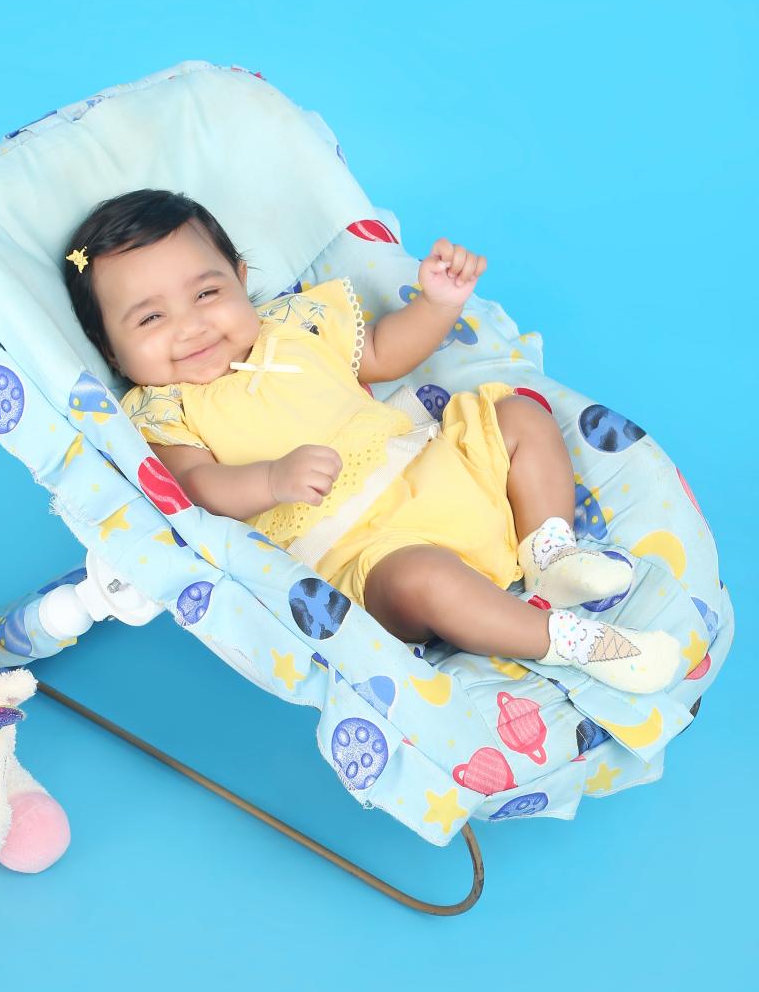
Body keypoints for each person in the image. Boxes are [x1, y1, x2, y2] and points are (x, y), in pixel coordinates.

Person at [62, 188, 681, 695]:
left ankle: (551, 550)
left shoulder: (296, 325)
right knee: (428, 581)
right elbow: (197, 486)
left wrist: (437, 304)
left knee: (519, 416)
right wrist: (271, 480)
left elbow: (384, 352)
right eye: (151, 318)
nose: (192, 325)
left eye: (207, 293)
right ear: (110, 350)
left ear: (241, 279)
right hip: (362, 549)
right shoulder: (163, 409)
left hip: (431, 466)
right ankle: (572, 642)